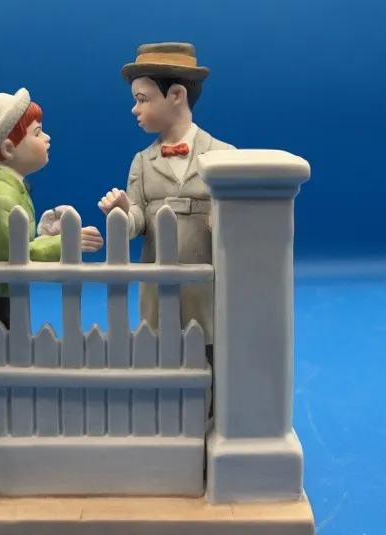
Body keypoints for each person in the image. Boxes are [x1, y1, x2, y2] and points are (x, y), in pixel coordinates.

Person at [97, 43, 235, 418]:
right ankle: (163, 419)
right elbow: (136, 223)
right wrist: (123, 211)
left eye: (142, 99)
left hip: (205, 280)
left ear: (176, 95)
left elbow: (237, 220)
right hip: (157, 282)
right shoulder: (142, 162)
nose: (135, 109)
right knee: (159, 350)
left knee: (209, 351)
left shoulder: (223, 155)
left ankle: (212, 419)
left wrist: (222, 219)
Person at [0, 88, 103, 419]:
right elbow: (14, 253)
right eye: (38, 133)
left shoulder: (8, 186)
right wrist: (65, 242)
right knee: (3, 364)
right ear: (8, 148)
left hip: (0, 295)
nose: (47, 138)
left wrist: (43, 233)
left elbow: (16, 239)